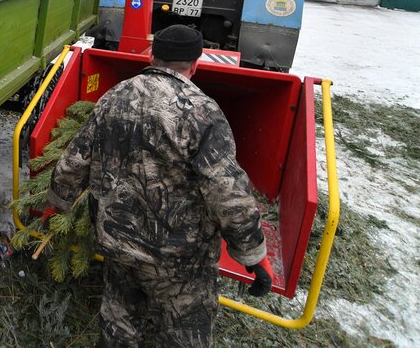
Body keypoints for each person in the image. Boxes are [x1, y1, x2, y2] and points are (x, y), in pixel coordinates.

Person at [46, 24, 274, 348]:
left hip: (118, 244)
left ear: (152, 56)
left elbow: (75, 160)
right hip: (179, 261)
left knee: (118, 327)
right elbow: (227, 190)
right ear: (195, 64)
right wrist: (253, 255)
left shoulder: (114, 97)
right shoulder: (203, 112)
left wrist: (57, 206)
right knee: (184, 335)